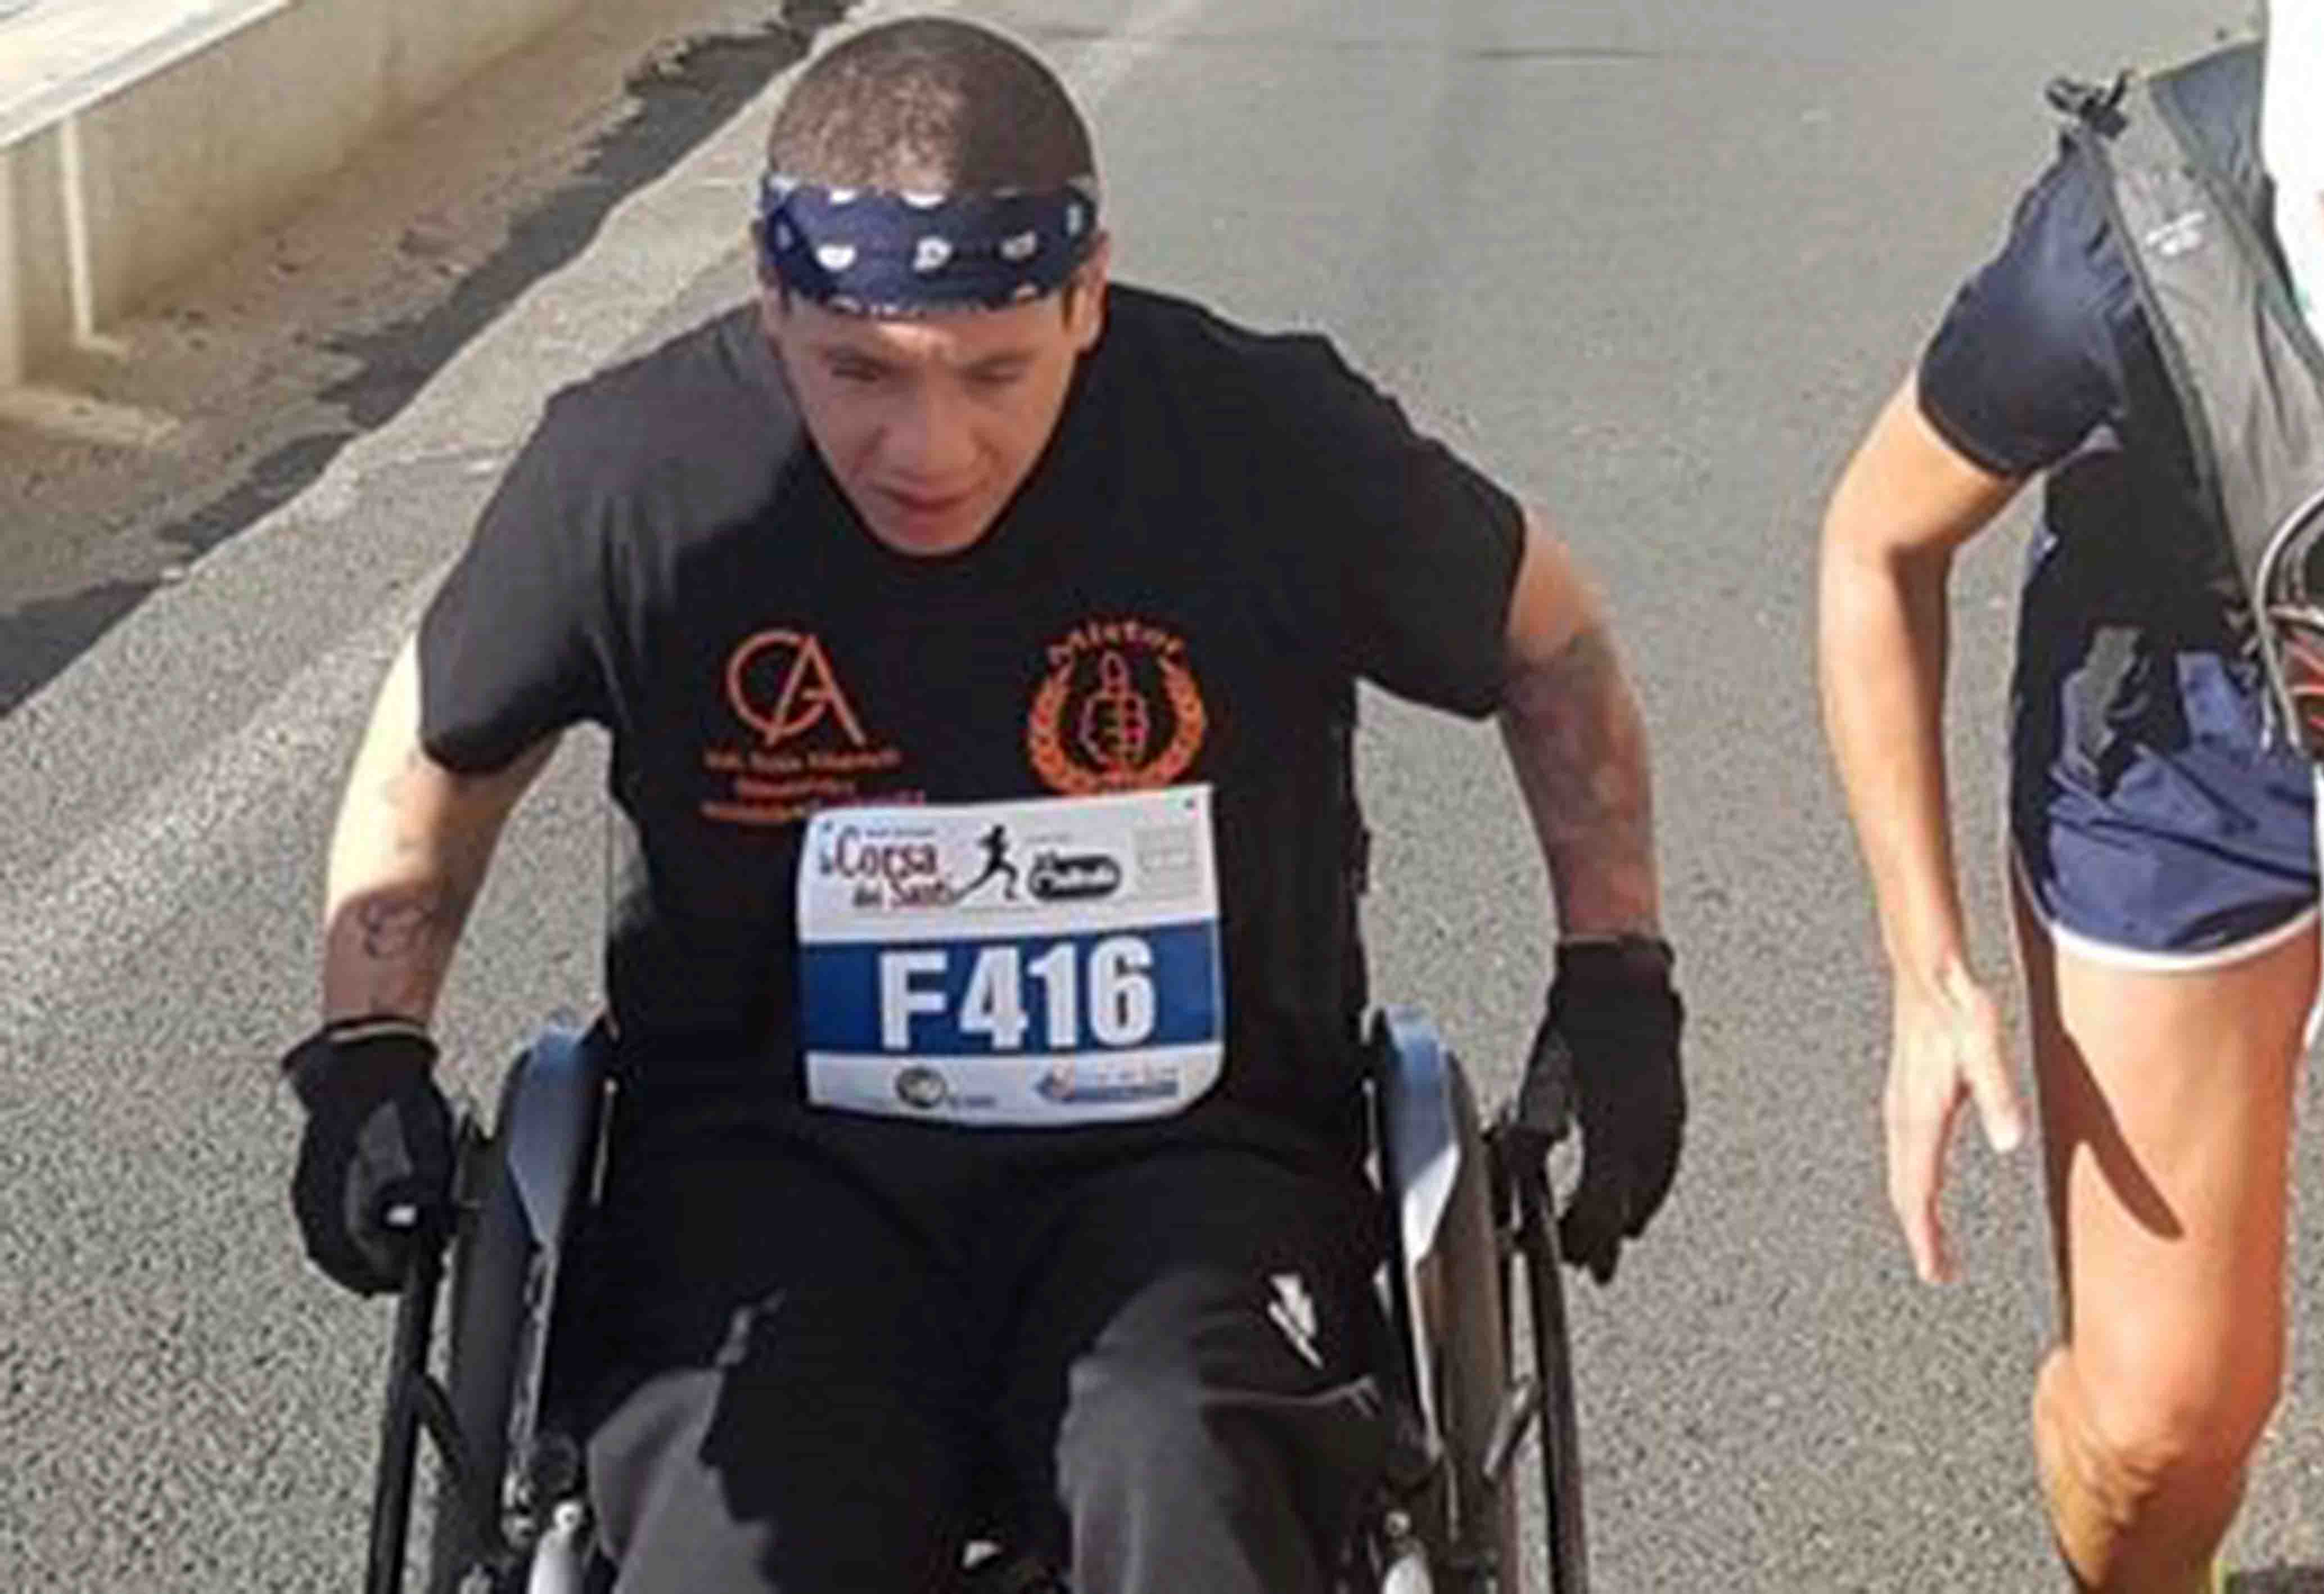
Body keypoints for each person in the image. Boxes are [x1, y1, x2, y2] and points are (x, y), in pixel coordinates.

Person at [275, 15, 1686, 1593]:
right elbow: (439, 746)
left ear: (1088, 294)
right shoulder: (637, 472)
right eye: (858, 371)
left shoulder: (1260, 438)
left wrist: (1615, 978)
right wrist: (371, 1049)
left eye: (995, 371)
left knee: (1185, 1464)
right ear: (770, 297)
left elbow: (1548, 643)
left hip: (1188, 1173)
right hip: (768, 1178)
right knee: (745, 1531)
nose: (927, 448)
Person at [1817, 2, 2324, 1588]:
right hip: (2186, 745)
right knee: (2161, 1423)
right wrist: (1927, 975)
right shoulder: (2117, 256)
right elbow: (1875, 543)